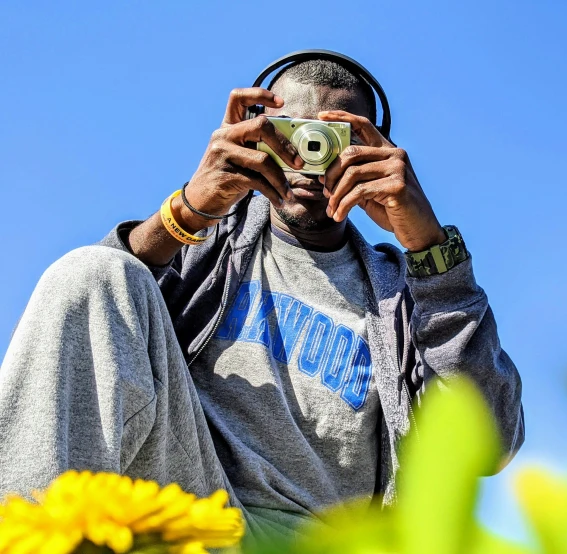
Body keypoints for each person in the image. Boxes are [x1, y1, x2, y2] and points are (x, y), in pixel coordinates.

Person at [0, 53, 524, 541]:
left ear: (377, 153)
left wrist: (431, 253)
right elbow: (94, 328)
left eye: (335, 139)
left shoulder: (409, 299)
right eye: (292, 134)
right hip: (191, 508)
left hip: (319, 545)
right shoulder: (208, 245)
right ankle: (27, 538)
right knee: (94, 271)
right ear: (254, 134)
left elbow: (488, 444)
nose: (310, 158)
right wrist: (188, 210)